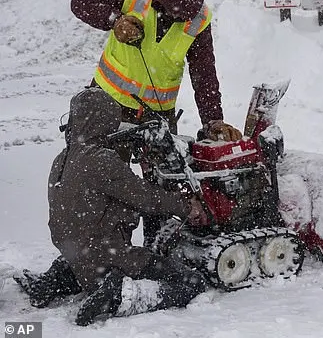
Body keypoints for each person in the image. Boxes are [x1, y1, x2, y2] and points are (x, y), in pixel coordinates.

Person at [71, 0, 242, 244]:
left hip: (157, 117)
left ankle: (156, 249)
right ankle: (108, 253)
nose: (174, 19)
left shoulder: (198, 19)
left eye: (181, 16)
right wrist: (114, 19)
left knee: (163, 186)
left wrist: (213, 121)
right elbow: (81, 2)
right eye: (169, 11)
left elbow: (204, 74)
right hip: (107, 107)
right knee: (106, 183)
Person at [21, 88, 208, 325]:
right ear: (107, 120)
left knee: (87, 258)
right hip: (109, 256)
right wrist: (185, 206)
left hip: (76, 255)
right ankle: (120, 297)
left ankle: (52, 282)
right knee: (191, 282)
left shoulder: (62, 158)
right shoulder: (101, 160)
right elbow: (147, 198)